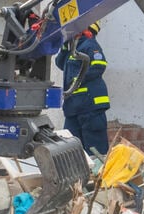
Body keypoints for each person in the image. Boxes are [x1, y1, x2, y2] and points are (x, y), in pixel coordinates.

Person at [54, 21, 110, 156]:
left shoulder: (90, 44)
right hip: (74, 107)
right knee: (70, 145)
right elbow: (60, 64)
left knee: (94, 147)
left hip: (90, 106)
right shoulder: (74, 48)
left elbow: (99, 65)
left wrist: (78, 79)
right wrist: (65, 47)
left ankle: (98, 173)